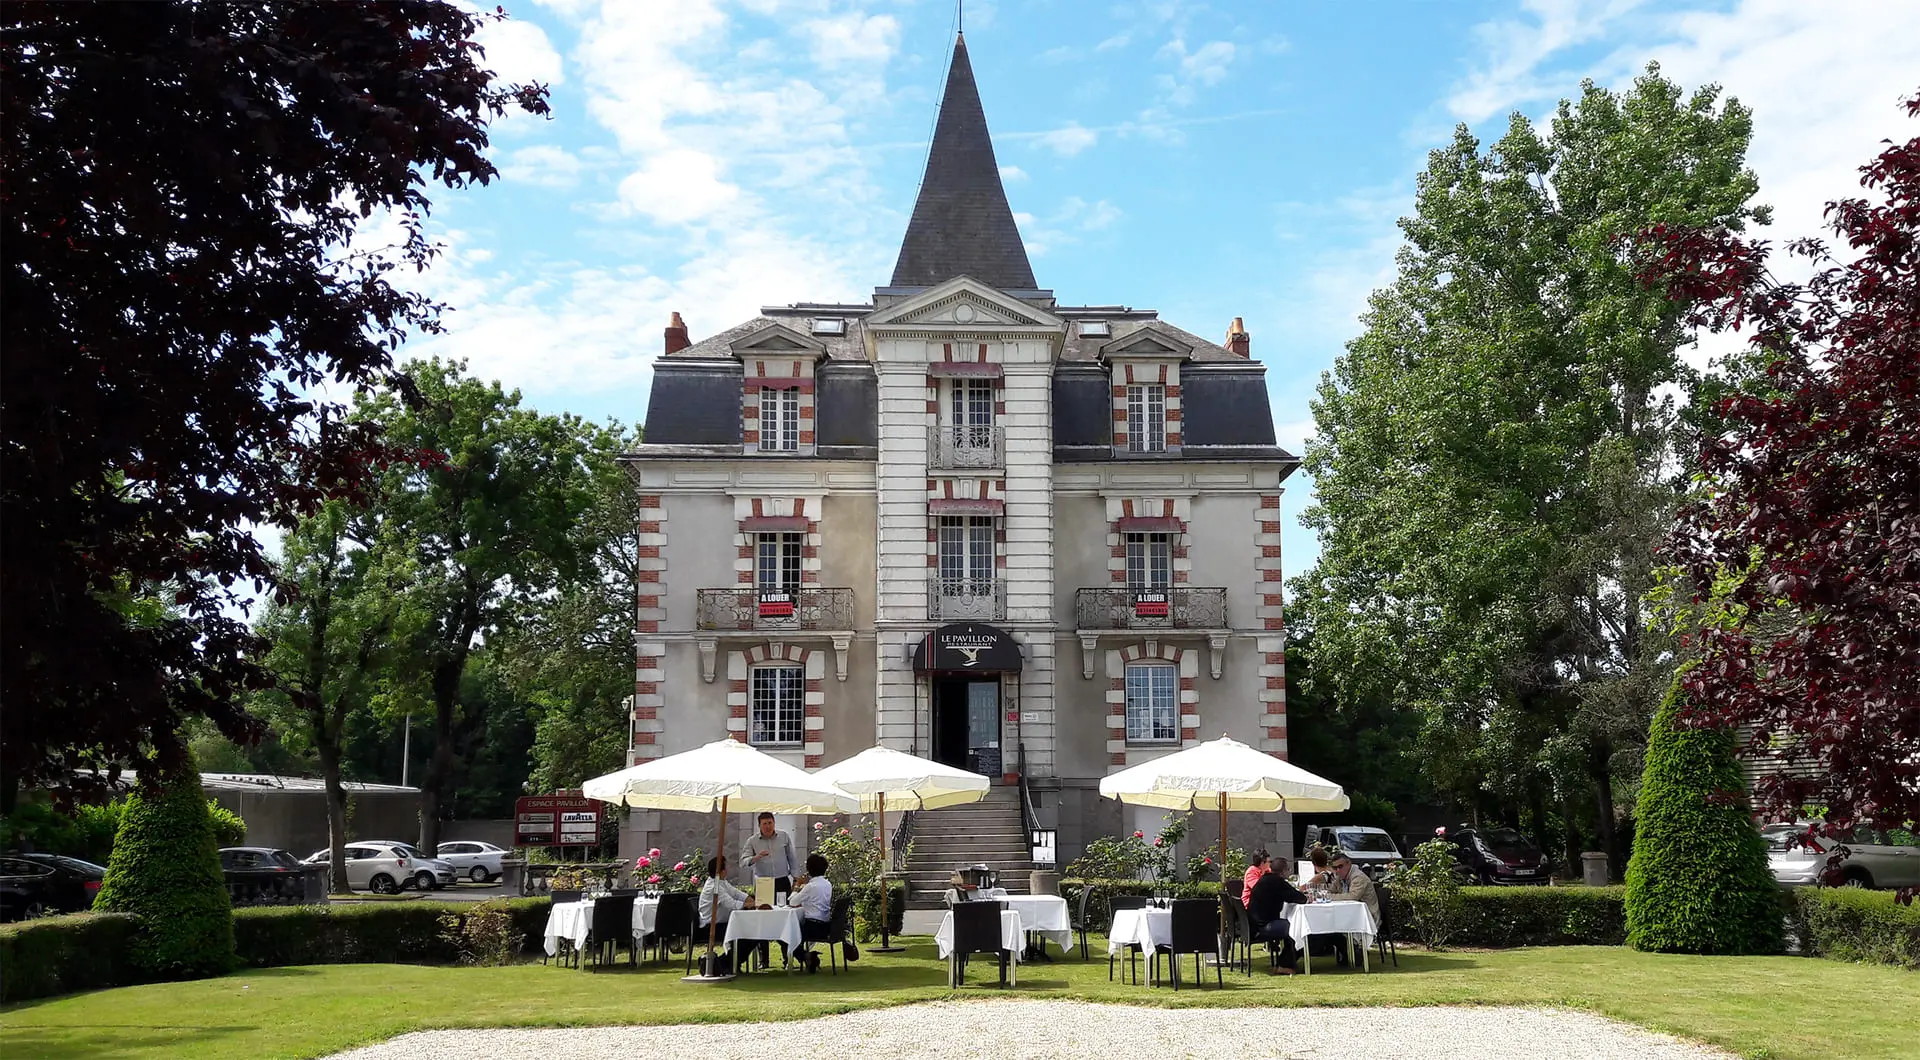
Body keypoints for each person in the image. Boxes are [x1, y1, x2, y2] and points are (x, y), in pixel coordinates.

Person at [741, 812, 798, 968]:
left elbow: (792, 858)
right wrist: (756, 857)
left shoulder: (784, 837)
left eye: (770, 823)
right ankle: (763, 960)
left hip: (782, 880)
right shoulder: (752, 841)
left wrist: (796, 878)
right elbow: (743, 862)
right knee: (763, 919)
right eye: (764, 824)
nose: (768, 826)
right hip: (763, 883)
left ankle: (787, 959)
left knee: (784, 917)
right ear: (759, 826)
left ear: (774, 823)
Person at [1245, 855, 1311, 974]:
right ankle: (1284, 965)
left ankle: (1284, 962)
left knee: (1292, 926)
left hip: (1253, 924)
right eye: (1288, 870)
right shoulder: (1277, 882)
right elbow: (1299, 898)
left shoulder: (1265, 879)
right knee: (1297, 928)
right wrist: (1307, 896)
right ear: (1283, 871)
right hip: (1263, 926)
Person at [786, 852, 834, 974]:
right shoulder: (827, 884)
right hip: (825, 925)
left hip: (812, 926)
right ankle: (807, 957)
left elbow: (792, 902)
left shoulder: (810, 886)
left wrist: (797, 885)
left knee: (785, 936)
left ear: (809, 870)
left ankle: (805, 956)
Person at [698, 855, 748, 931]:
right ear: (722, 871)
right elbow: (732, 905)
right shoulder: (714, 887)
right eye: (727, 866)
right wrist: (749, 904)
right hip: (712, 925)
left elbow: (736, 893)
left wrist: (748, 898)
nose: (729, 868)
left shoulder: (721, 881)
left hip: (720, 921)